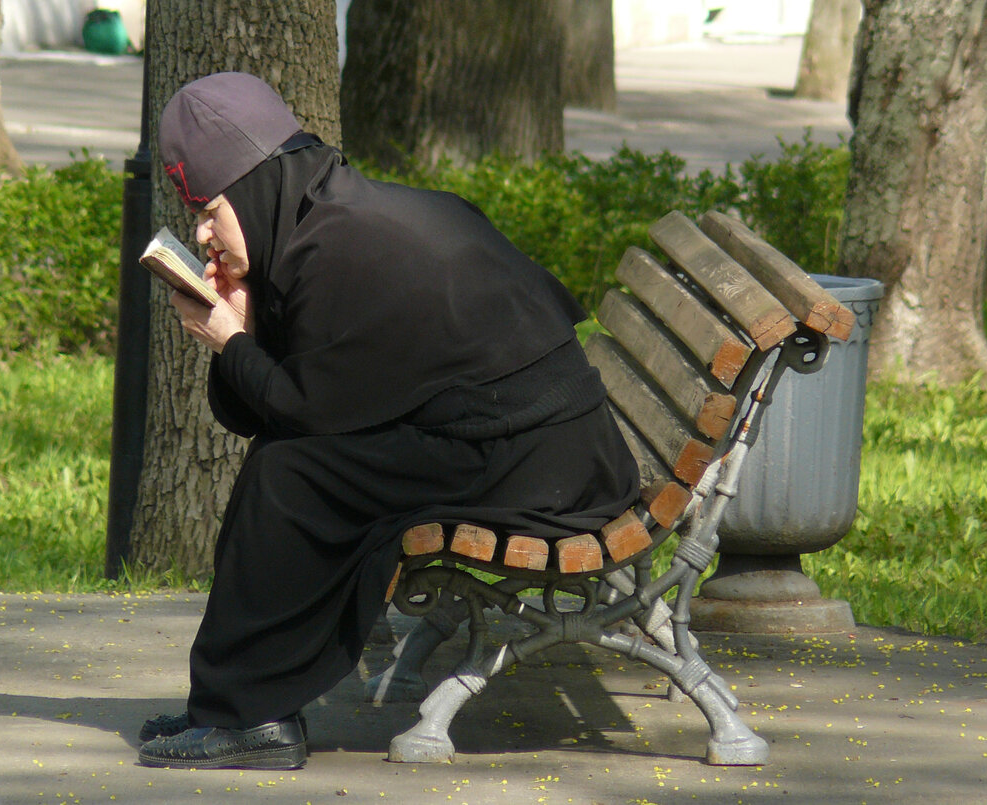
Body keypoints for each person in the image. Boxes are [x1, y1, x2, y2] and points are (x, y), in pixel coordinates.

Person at [136, 72, 640, 770]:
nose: (202, 234)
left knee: (290, 478)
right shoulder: (321, 224)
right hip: (511, 436)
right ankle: (235, 703)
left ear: (255, 189)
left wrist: (234, 340)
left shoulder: (337, 249)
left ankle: (248, 714)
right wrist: (248, 331)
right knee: (291, 468)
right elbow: (292, 404)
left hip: (537, 459)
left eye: (210, 212)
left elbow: (302, 413)